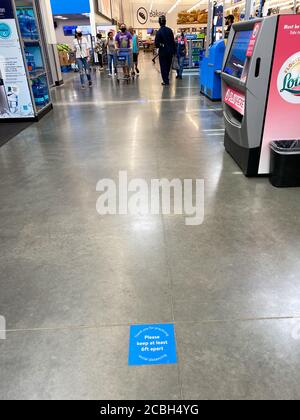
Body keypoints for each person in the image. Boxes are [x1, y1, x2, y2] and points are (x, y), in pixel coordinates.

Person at [155, 15, 176, 86]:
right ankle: (167, 78)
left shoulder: (158, 32)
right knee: (168, 66)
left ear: (159, 22)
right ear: (165, 22)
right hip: (170, 52)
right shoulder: (170, 30)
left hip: (163, 52)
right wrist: (174, 51)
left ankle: (165, 80)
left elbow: (156, 44)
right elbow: (173, 42)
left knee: (163, 66)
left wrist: (161, 45)